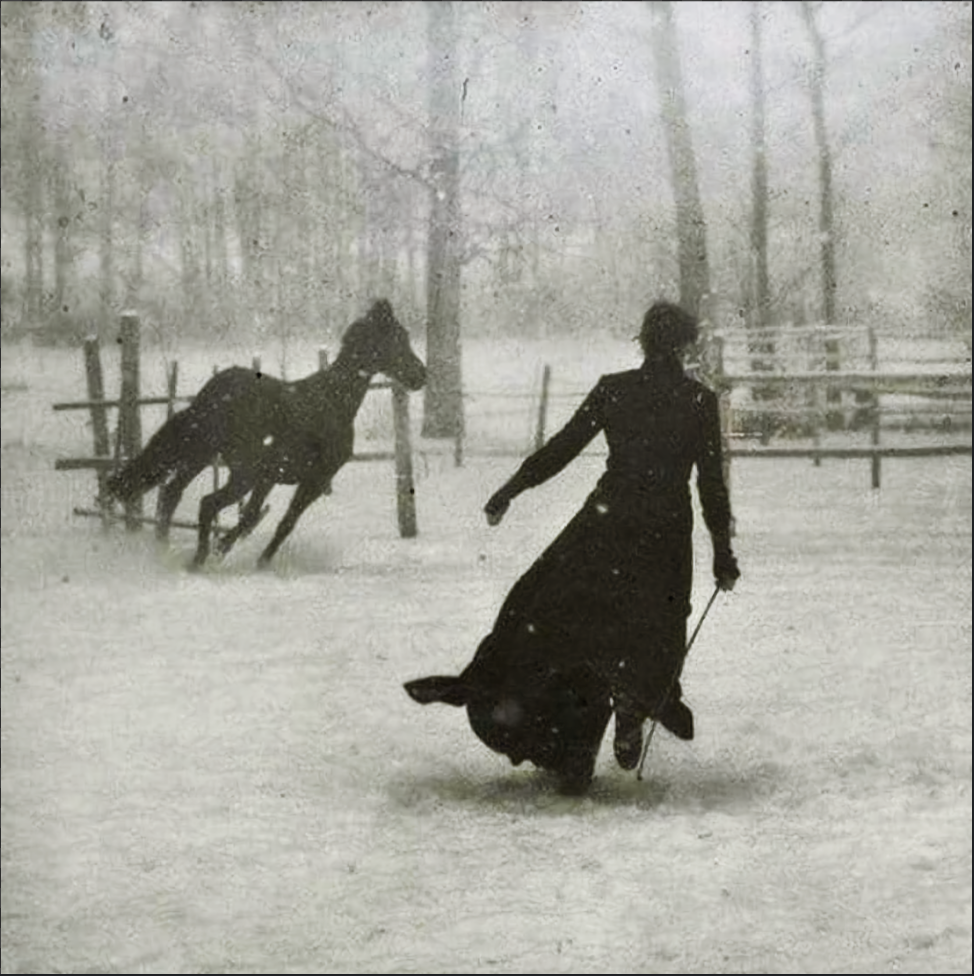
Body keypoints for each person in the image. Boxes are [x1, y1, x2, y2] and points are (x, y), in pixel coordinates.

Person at [404, 300, 740, 795]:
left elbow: (562, 448)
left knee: (557, 623)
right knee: (650, 630)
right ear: (686, 346)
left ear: (644, 342)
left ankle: (570, 740)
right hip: (663, 533)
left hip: (604, 527)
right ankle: (629, 709)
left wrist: (511, 489)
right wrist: (722, 553)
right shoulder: (698, 401)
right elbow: (710, 484)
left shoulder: (615, 389)